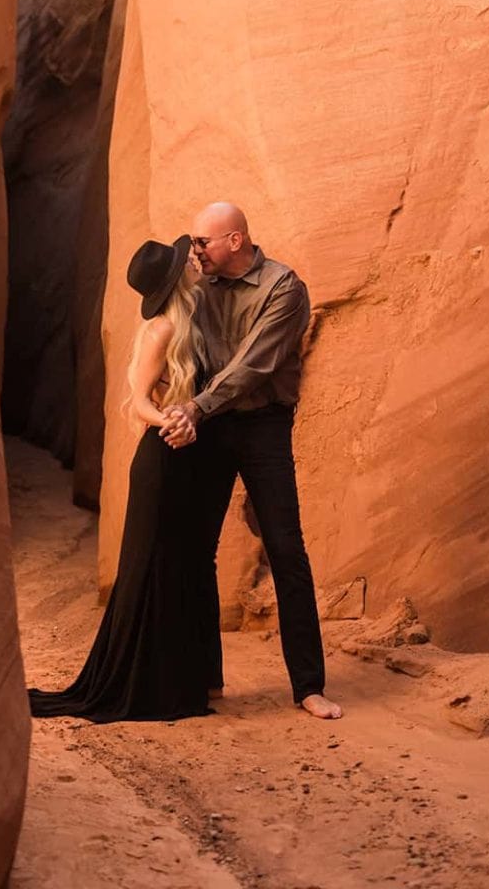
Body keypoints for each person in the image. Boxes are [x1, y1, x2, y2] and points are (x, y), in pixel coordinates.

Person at [160, 202, 343, 721]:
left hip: (262, 426)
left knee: (287, 549)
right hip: (209, 427)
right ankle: (207, 679)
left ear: (235, 241)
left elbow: (253, 364)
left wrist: (194, 407)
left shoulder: (284, 288)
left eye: (203, 242)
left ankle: (309, 686)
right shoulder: (199, 285)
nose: (194, 252)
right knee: (198, 550)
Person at [28, 235, 218, 723]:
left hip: (189, 459)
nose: (196, 258)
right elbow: (139, 403)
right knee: (149, 567)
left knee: (181, 566)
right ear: (176, 279)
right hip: (163, 458)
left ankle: (180, 681)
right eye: (187, 260)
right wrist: (174, 421)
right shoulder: (161, 330)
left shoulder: (196, 318)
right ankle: (139, 686)